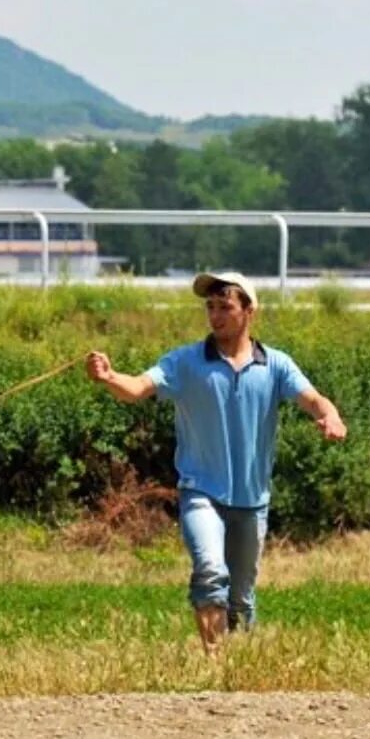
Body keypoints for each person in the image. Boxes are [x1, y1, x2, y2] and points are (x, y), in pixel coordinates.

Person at [85, 271, 347, 655]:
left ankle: (241, 666)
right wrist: (110, 377)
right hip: (201, 492)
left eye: (225, 306)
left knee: (241, 600)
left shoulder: (275, 365)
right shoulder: (186, 362)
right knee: (210, 572)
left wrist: (330, 416)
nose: (215, 315)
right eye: (210, 307)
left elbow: (313, 399)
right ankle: (215, 663)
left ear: (249, 311)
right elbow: (138, 388)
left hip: (252, 500)